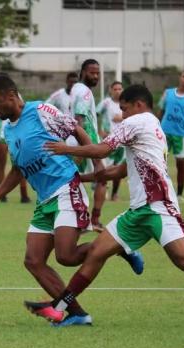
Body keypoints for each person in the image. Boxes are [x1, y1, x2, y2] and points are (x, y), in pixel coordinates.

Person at [27, 84, 184, 331]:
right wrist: (82, 179)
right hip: (138, 211)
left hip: (158, 206)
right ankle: (61, 309)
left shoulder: (138, 121)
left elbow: (103, 149)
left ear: (138, 105)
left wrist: (66, 148)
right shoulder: (152, 127)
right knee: (97, 252)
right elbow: (120, 170)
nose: (121, 115)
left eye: (124, 108)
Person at [0, 75, 144, 327]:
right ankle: (78, 313)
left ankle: (120, 246)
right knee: (33, 261)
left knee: (66, 256)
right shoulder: (7, 130)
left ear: (11, 96)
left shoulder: (40, 111)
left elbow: (75, 129)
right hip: (44, 200)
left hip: (66, 188)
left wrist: (98, 164)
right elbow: (17, 170)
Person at [70, 59, 107, 230]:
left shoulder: (75, 89)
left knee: (72, 180)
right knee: (102, 177)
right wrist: (87, 149)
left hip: (76, 141)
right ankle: (93, 220)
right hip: (86, 142)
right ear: (83, 72)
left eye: (98, 73)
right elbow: (80, 120)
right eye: (92, 72)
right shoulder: (84, 92)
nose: (95, 76)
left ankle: (78, 219)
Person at [157, 70, 184, 201]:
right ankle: (161, 192)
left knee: (180, 165)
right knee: (160, 163)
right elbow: (160, 111)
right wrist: (155, 127)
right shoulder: (168, 93)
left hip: (180, 135)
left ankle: (179, 194)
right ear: (179, 78)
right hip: (164, 134)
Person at [0, 102, 30, 203]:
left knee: (21, 165)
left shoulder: (16, 97)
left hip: (16, 136)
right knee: (1, 166)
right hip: (1, 138)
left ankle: (24, 196)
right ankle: (2, 196)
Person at [96, 81, 125, 201]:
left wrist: (122, 117)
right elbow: (95, 114)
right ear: (111, 90)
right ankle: (104, 190)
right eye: (116, 89)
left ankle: (114, 194)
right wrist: (99, 130)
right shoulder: (106, 103)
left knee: (118, 169)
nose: (118, 91)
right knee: (106, 168)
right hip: (109, 141)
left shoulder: (126, 104)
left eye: (120, 89)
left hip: (122, 141)